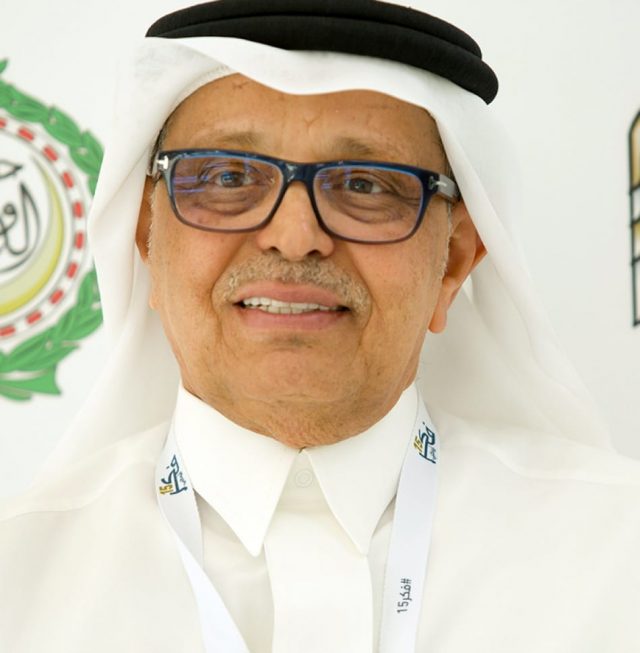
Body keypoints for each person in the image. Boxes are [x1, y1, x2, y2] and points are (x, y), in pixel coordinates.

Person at [1, 1, 639, 651]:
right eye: (228, 176)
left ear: (452, 260)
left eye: (364, 185)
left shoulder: (617, 560)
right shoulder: (18, 583)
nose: (295, 235)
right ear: (147, 237)